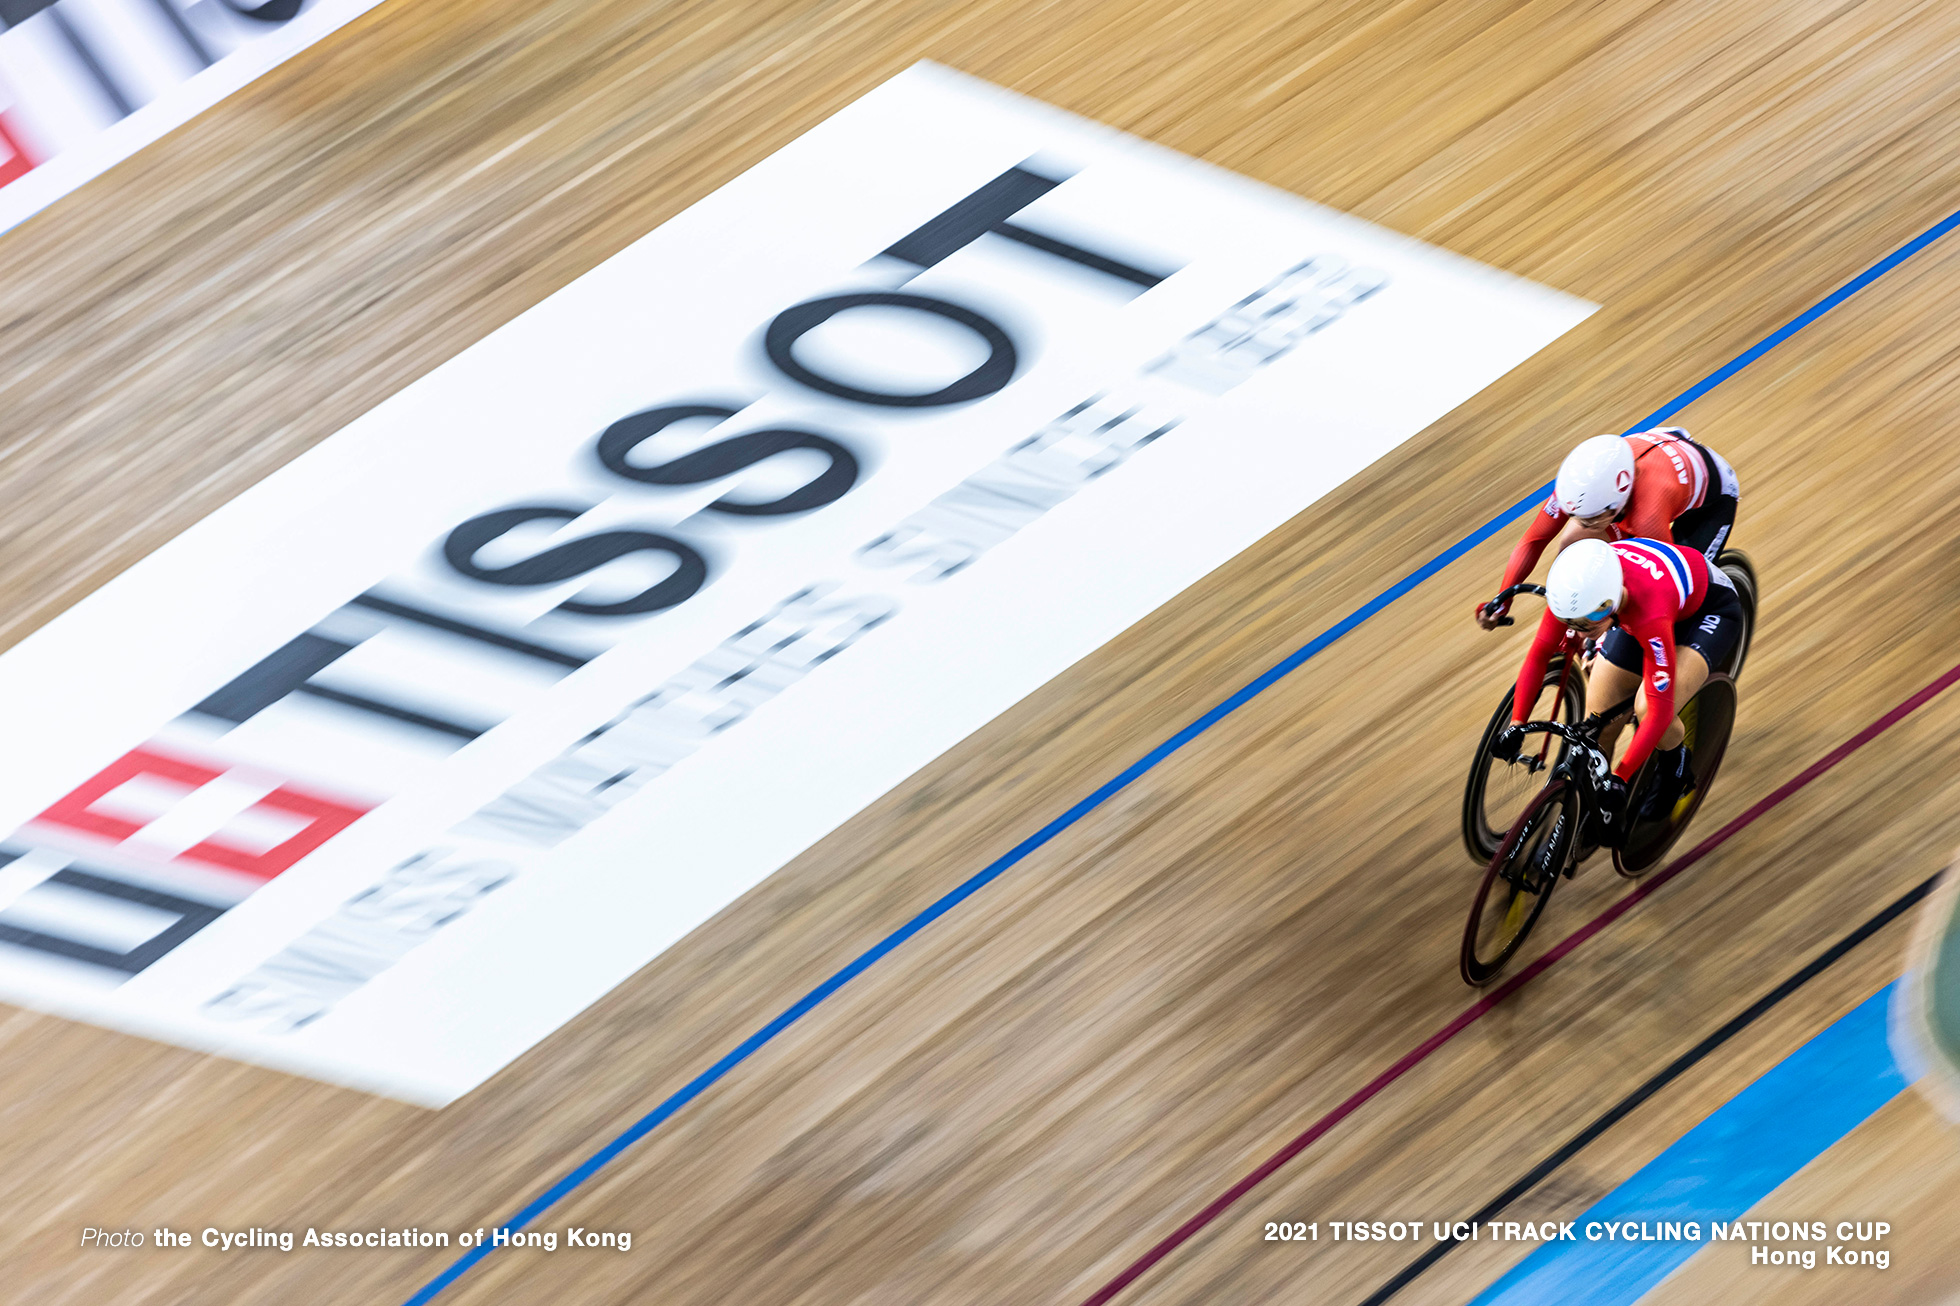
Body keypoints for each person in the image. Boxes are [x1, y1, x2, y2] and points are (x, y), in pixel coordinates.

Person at [1490, 536, 1743, 841]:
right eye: (1574, 623)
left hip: (1706, 614)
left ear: (1612, 599)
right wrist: (1517, 723)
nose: (1581, 629)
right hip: (1640, 611)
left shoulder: (1646, 609)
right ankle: (1589, 809)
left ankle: (1675, 763)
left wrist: (1620, 777)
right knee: (1599, 724)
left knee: (1647, 707)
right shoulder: (1575, 594)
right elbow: (1540, 654)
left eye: (1588, 622)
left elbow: (1659, 712)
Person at [1475, 428, 1740, 630]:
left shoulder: (1647, 517)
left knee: (1679, 602)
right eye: (1577, 515)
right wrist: (1501, 601)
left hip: (1710, 504)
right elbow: (1533, 541)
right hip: (1654, 456)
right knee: (1570, 546)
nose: (1581, 522)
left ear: (1616, 506)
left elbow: (1662, 586)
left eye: (1590, 518)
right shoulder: (1576, 490)